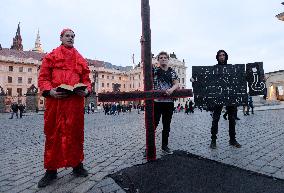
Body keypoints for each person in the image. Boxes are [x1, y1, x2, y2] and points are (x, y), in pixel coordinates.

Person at [37, 29, 91, 188]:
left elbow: (86, 79)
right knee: (53, 134)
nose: (71, 38)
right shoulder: (51, 56)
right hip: (56, 102)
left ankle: (77, 165)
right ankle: (51, 170)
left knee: (75, 133)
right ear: (61, 38)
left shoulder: (80, 58)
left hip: (74, 103)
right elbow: (43, 78)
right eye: (67, 36)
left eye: (73, 36)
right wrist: (50, 91)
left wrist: (86, 90)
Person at [209, 50, 241, 149]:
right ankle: (213, 140)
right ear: (217, 57)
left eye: (223, 55)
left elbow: (240, 78)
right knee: (215, 119)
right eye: (220, 55)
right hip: (218, 96)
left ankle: (232, 139)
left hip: (230, 96)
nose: (222, 57)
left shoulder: (232, 68)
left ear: (226, 56)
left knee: (232, 118)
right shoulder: (214, 69)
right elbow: (207, 80)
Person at [153, 51, 179, 154]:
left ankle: (165, 146)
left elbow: (176, 83)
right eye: (161, 57)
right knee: (153, 125)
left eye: (165, 57)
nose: (163, 59)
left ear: (168, 59)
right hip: (157, 102)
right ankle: (150, 146)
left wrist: (172, 89)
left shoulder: (172, 71)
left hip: (168, 102)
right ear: (158, 60)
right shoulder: (154, 70)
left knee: (166, 125)